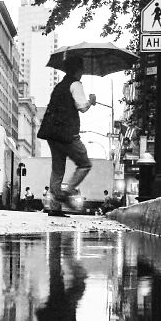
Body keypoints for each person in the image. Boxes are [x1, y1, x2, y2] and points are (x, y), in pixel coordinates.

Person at [36, 53, 96, 218]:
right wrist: (91, 101)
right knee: (84, 163)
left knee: (57, 169)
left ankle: (55, 207)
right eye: (82, 68)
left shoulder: (59, 86)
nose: (83, 71)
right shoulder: (75, 84)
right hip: (67, 134)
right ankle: (67, 193)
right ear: (78, 69)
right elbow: (81, 106)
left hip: (51, 133)